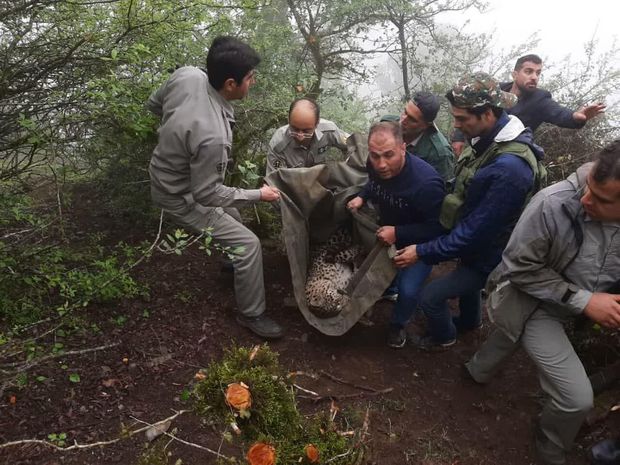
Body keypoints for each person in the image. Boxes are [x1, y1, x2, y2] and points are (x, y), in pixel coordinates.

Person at [465, 141, 620, 465]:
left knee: (510, 333)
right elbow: (519, 268)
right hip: (530, 298)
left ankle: (476, 371)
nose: (586, 199)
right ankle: (551, 447)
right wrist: (586, 301)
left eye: (602, 200)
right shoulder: (551, 203)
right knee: (576, 399)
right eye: (589, 187)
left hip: (571, 306)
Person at [393, 72, 545, 350]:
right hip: (479, 247)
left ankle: (443, 338)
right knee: (467, 281)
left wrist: (423, 250)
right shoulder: (490, 137)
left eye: (462, 119)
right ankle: (471, 322)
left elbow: (474, 233)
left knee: (430, 297)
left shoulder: (509, 169)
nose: (456, 125)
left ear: (488, 113)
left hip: (493, 255)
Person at [147, 36, 284, 339]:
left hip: (168, 175)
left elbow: (154, 104)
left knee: (233, 220)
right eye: (250, 78)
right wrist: (258, 195)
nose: (254, 81)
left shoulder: (188, 75)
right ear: (232, 84)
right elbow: (207, 195)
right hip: (177, 195)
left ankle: (233, 267)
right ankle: (252, 314)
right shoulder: (212, 135)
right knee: (249, 244)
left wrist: (176, 134)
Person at [346, 122, 445, 348]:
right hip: (388, 234)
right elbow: (374, 183)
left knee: (409, 291)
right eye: (375, 156)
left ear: (403, 147)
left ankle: (398, 324)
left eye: (388, 155)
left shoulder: (427, 184)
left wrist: (399, 233)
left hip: (418, 246)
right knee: (384, 274)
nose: (381, 164)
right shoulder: (374, 164)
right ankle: (388, 291)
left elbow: (438, 228)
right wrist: (362, 196)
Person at [451, 54, 606, 156]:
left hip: (505, 156)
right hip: (477, 147)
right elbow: (468, 107)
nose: (534, 77)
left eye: (538, 73)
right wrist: (459, 138)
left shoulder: (540, 100)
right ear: (515, 74)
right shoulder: (497, 89)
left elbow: (558, 113)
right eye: (529, 71)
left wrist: (577, 117)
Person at [266, 98, 349, 175]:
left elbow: (355, 145)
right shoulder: (278, 144)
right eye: (295, 129)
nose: (300, 136)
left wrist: (348, 169)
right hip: (292, 186)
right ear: (289, 120)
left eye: (306, 131)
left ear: (316, 124)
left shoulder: (329, 131)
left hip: (321, 182)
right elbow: (275, 182)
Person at [399, 91, 455, 181]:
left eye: (412, 119)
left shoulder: (440, 154)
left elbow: (443, 189)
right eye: (405, 112)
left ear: (426, 125)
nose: (403, 120)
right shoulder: (391, 125)